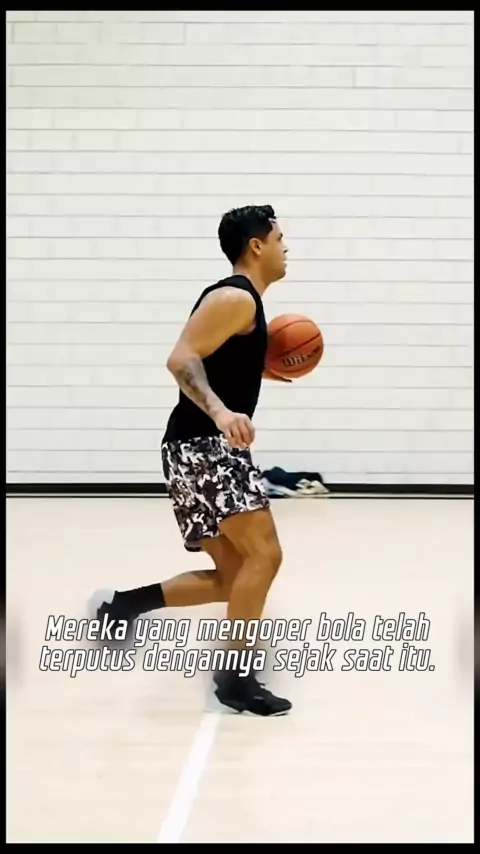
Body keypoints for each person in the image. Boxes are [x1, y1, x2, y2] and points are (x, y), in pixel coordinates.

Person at [89, 205, 292, 716]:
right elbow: (181, 358)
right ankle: (236, 679)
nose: (287, 247)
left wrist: (261, 370)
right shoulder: (234, 297)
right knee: (265, 557)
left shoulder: (244, 303)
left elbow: (214, 359)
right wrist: (222, 411)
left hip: (193, 448)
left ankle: (124, 606)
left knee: (234, 576)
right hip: (205, 447)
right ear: (256, 246)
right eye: (280, 238)